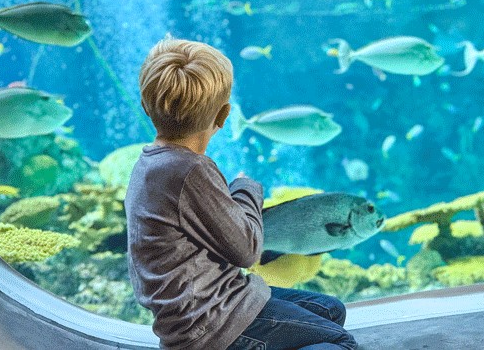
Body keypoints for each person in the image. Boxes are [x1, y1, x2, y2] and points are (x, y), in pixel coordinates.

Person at [125, 36, 359, 350]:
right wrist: (246, 189)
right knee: (341, 344)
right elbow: (247, 251)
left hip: (210, 304)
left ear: (144, 105)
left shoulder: (149, 164)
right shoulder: (189, 171)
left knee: (331, 310)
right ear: (223, 116)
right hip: (211, 322)